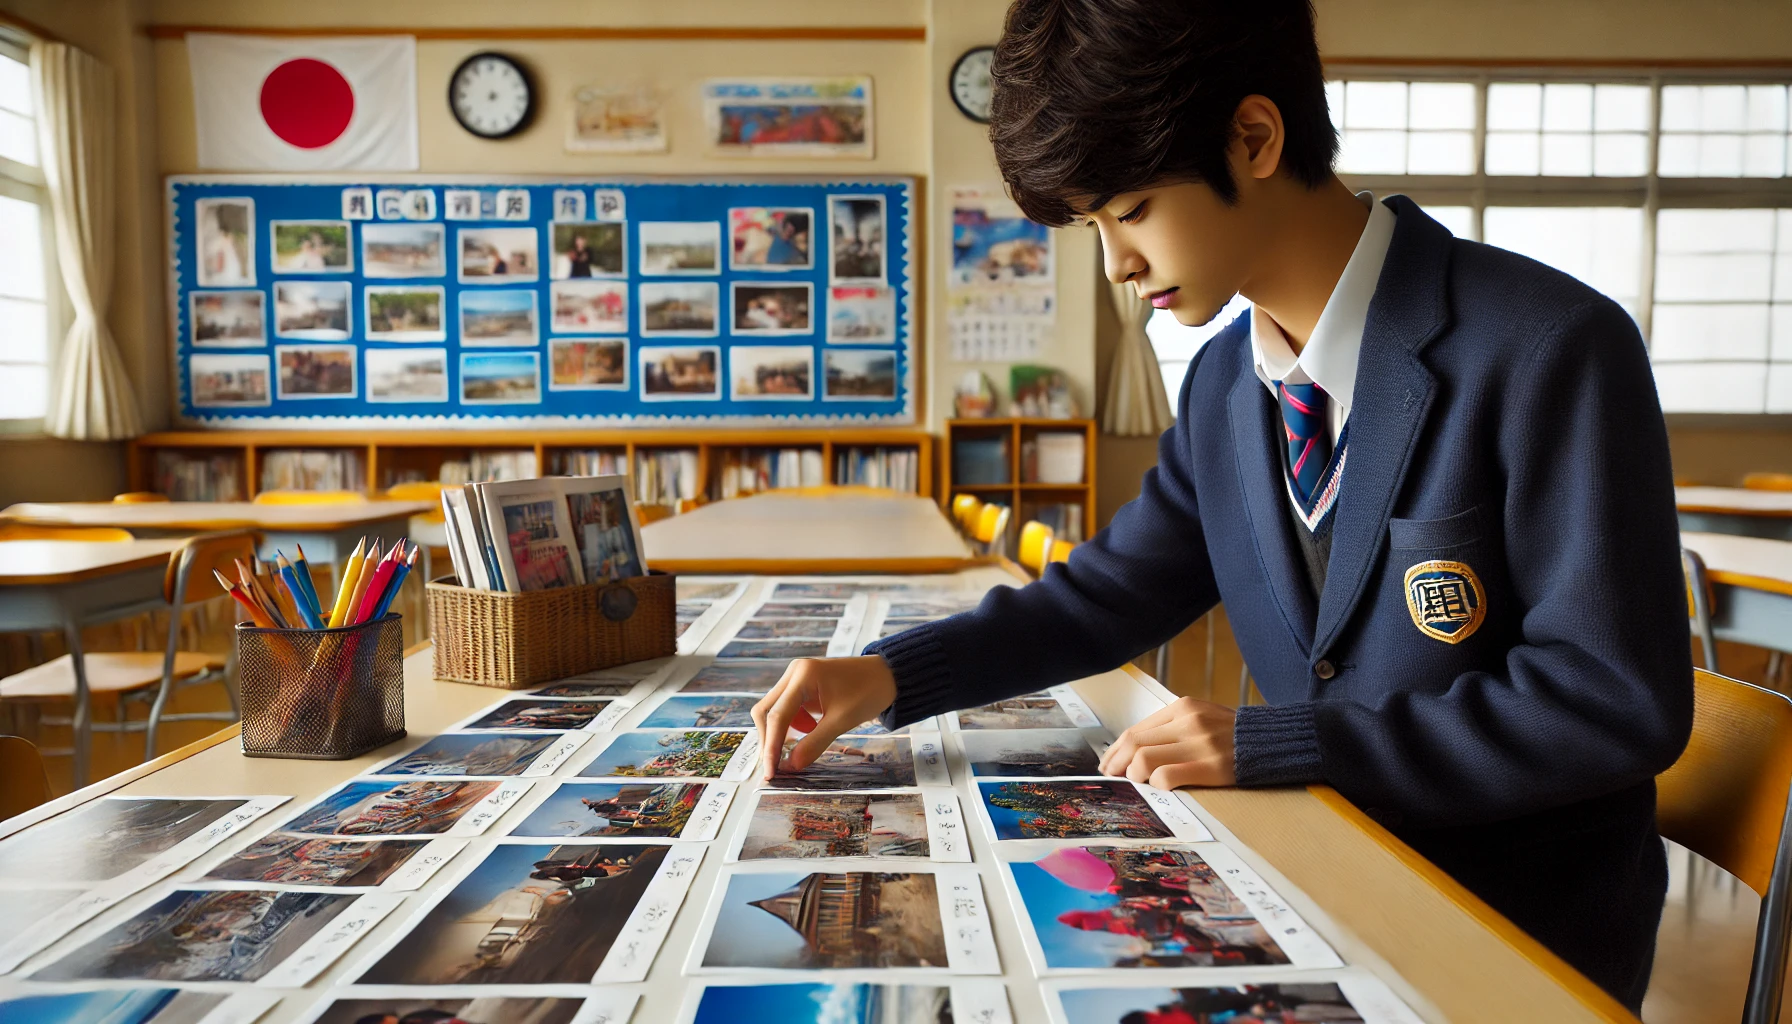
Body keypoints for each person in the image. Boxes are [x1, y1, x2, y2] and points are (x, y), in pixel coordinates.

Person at [752, 0, 1691, 1011]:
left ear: (1253, 138)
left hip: (1503, 933)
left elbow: (1610, 704)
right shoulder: (1222, 389)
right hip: (1307, 888)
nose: (1114, 262)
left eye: (1131, 210)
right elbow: (1104, 596)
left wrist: (1285, 742)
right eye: (1095, 224)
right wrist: (891, 673)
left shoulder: (1548, 346)